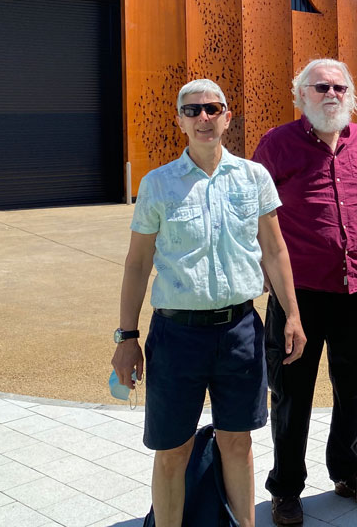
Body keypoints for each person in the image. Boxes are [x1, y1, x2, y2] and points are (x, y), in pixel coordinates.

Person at [112, 79, 306, 527]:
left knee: (237, 443)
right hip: (176, 336)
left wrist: (292, 314)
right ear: (179, 120)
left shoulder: (253, 177)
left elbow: (275, 250)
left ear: (227, 118)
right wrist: (127, 336)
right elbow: (138, 263)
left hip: (239, 331)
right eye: (193, 110)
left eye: (212, 109)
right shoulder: (158, 185)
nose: (203, 117)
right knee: (172, 450)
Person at [253, 58, 357, 526]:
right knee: (292, 392)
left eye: (340, 86)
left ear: (350, 95)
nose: (331, 93)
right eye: (321, 86)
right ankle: (287, 487)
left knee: (353, 389)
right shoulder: (276, 145)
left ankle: (348, 471)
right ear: (301, 96)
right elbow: (258, 219)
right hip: (299, 296)